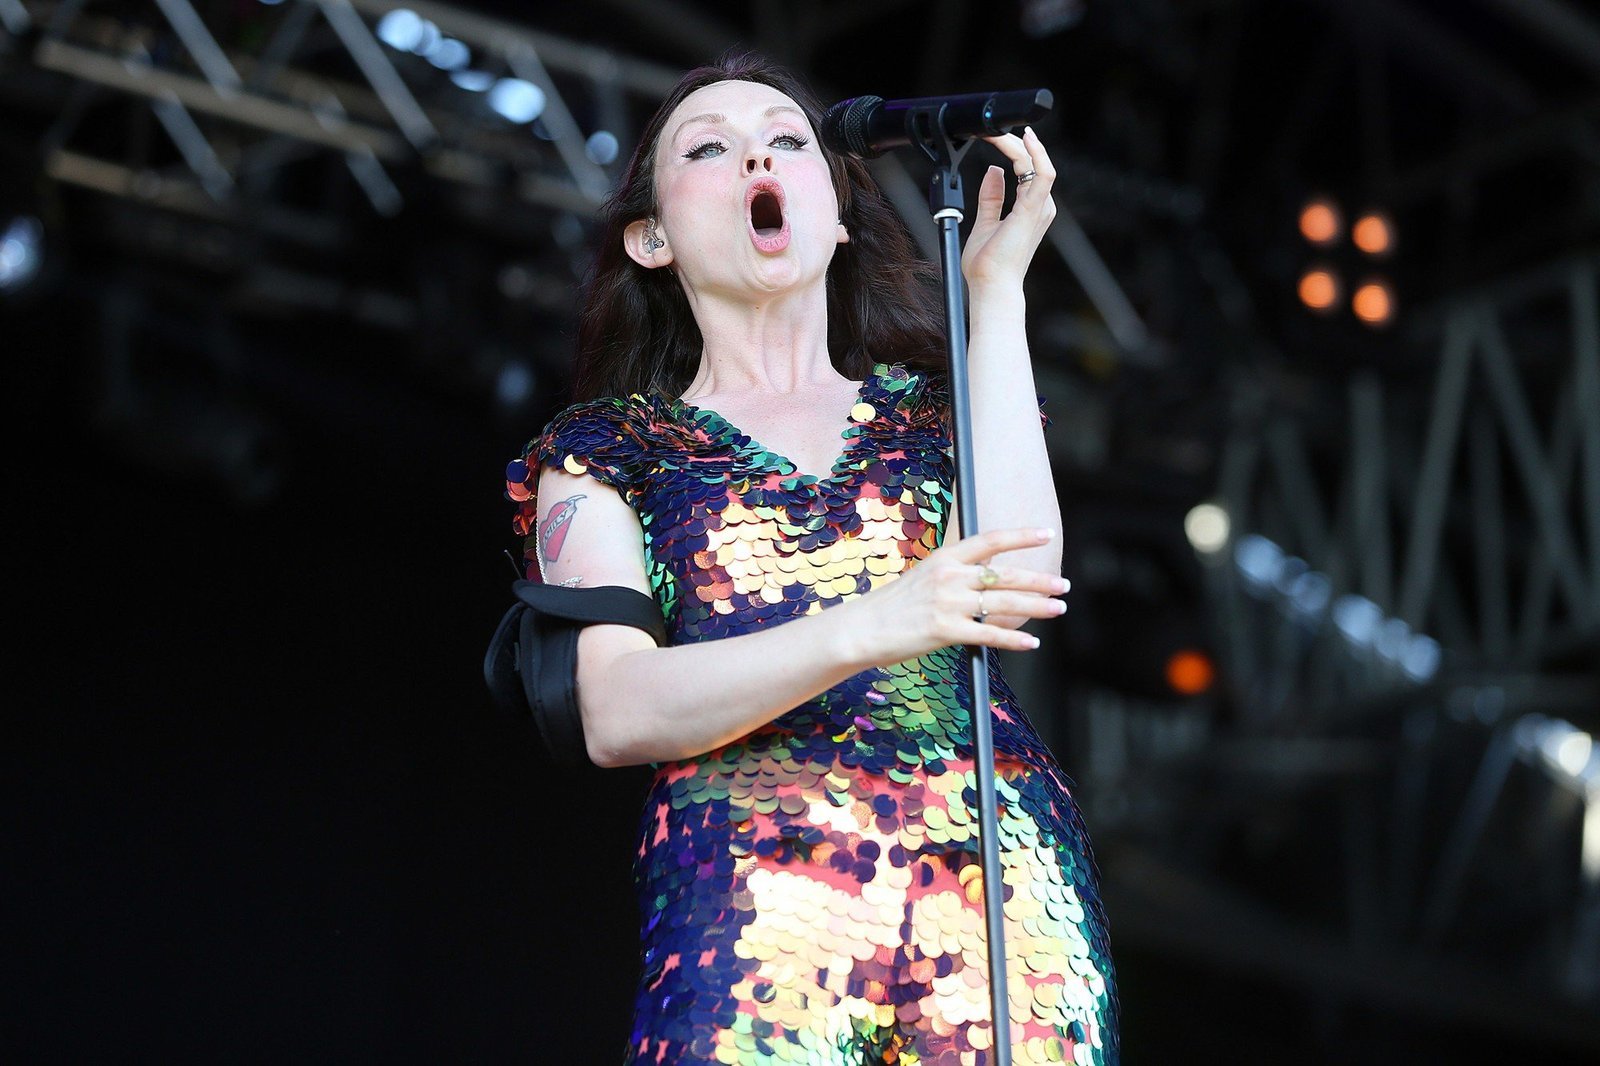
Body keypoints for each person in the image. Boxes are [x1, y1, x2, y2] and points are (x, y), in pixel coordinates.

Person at [503, 51, 1118, 1066]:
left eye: (788, 140)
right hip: (754, 895)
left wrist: (994, 294)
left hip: (994, 874)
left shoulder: (932, 411)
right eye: (710, 147)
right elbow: (615, 710)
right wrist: (869, 624)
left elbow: (1022, 577)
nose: (757, 155)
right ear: (652, 237)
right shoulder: (612, 453)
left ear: (834, 212)